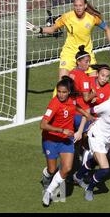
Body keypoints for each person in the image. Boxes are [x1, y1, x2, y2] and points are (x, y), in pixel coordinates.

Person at [26, 0, 110, 80]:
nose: (78, 8)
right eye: (76, 5)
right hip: (69, 53)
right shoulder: (66, 17)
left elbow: (107, 28)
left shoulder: (92, 18)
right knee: (63, 84)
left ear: (85, 6)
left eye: (80, 5)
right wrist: (39, 29)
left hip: (86, 55)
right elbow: (52, 29)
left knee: (94, 86)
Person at [72, 83, 110, 201]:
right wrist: (80, 131)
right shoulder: (107, 106)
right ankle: (89, 189)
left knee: (95, 161)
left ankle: (78, 176)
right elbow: (87, 111)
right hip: (96, 136)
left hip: (107, 139)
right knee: (105, 168)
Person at [40, 76, 78, 207]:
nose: (61, 95)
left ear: (68, 92)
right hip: (51, 139)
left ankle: (48, 192)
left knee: (67, 168)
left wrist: (87, 114)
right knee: (52, 170)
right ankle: (46, 175)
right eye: (59, 92)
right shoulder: (54, 103)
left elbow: (75, 107)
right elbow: (43, 125)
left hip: (66, 141)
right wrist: (62, 130)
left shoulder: (72, 100)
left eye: (64, 92)